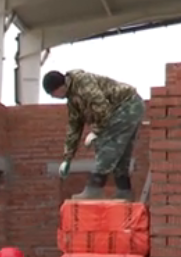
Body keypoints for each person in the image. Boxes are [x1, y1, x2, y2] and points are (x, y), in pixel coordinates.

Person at [42, 69, 146, 201]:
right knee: (120, 152)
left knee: (108, 145)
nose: (53, 97)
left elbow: (101, 107)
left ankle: (94, 189)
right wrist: (67, 158)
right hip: (124, 109)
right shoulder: (73, 100)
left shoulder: (83, 84)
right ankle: (124, 191)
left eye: (52, 94)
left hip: (127, 105)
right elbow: (74, 128)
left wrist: (96, 131)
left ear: (58, 88)